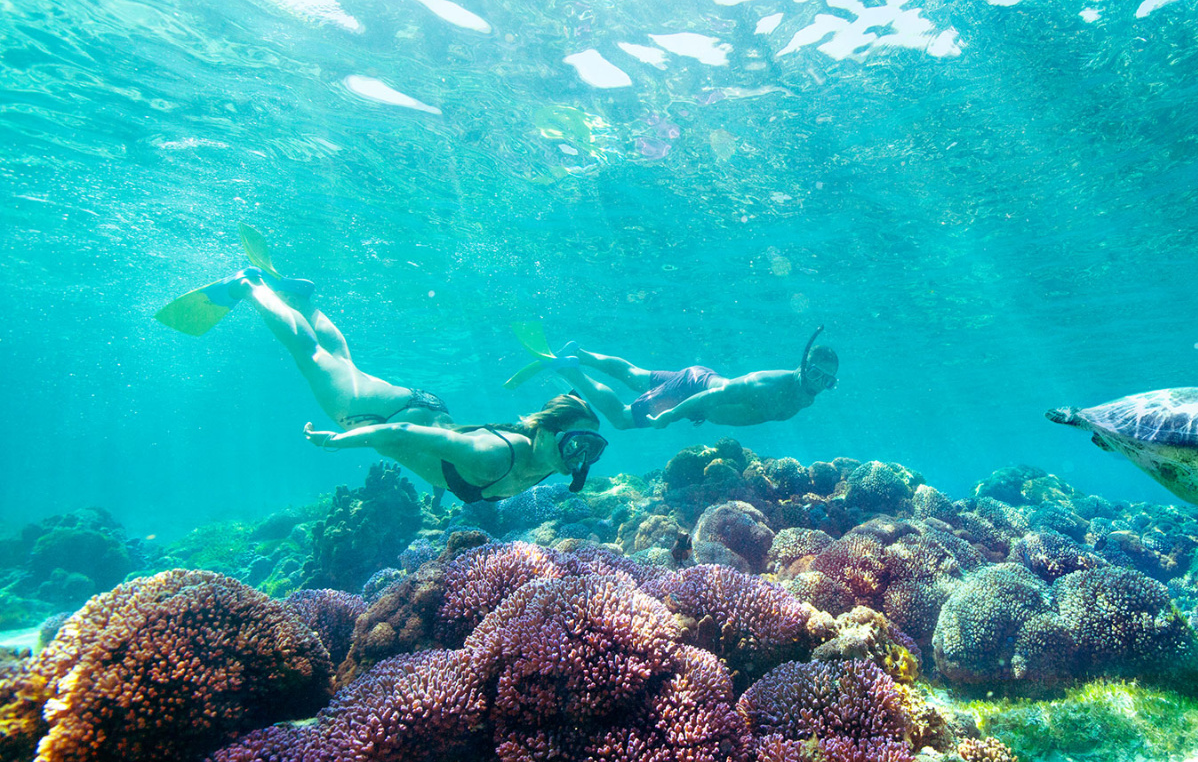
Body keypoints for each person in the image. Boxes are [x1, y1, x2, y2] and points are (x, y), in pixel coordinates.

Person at [162, 265, 608, 501]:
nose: (581, 456)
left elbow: (445, 457)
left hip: (423, 408)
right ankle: (249, 286)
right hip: (388, 417)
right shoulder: (495, 455)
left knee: (340, 360)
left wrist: (440, 484)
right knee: (312, 355)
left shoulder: (553, 462)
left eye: (591, 447)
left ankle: (299, 296)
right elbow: (404, 435)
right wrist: (342, 441)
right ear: (548, 432)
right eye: (577, 444)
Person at [548, 326, 838, 430]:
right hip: (693, 390)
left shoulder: (807, 397)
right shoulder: (767, 385)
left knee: (636, 376)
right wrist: (672, 415)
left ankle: (579, 352)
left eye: (826, 380)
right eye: (814, 373)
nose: (817, 383)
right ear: (802, 365)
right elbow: (713, 397)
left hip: (698, 381)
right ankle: (570, 368)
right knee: (623, 420)